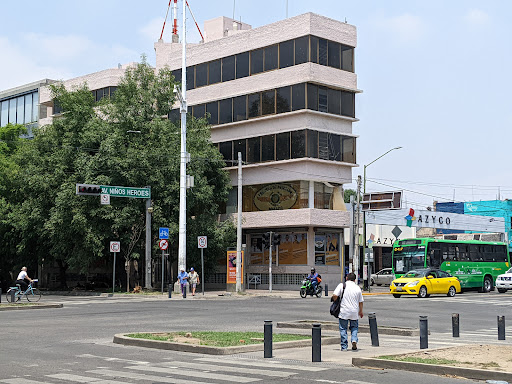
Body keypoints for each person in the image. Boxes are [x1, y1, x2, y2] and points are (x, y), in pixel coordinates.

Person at [331, 272, 364, 351]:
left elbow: (335, 295)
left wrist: (336, 300)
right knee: (354, 327)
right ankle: (354, 340)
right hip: (354, 312)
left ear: (346, 278)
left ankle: (344, 346)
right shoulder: (357, 288)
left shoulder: (342, 286)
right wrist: (361, 311)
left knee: (343, 328)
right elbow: (361, 302)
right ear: (355, 280)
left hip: (344, 311)